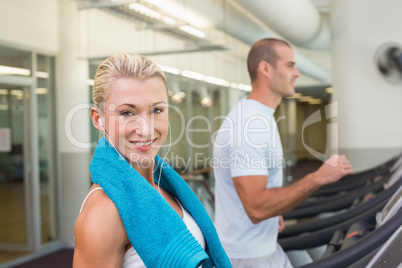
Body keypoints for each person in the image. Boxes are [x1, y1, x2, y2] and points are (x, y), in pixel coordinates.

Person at [73, 53, 231, 268]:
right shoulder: (103, 212)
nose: (146, 129)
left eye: (156, 110)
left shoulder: (166, 186)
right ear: (98, 119)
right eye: (127, 113)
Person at [213, 38, 354, 267]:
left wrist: (274, 208)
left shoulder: (260, 117)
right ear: (266, 69)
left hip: (261, 248)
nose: (297, 73)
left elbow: (257, 196)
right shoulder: (249, 126)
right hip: (247, 257)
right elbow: (256, 207)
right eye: (290, 65)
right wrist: (319, 177)